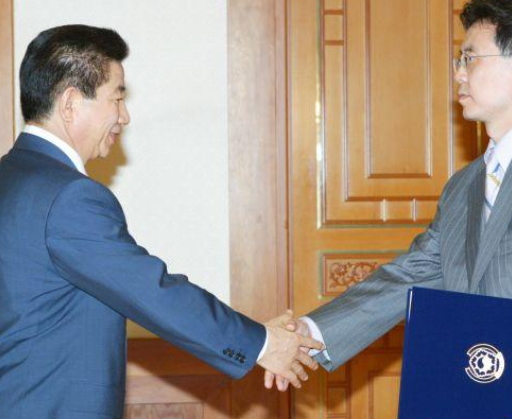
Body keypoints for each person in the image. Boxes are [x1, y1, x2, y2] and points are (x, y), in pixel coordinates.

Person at [267, 0, 512, 418]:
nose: (458, 73)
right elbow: (410, 275)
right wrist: (310, 332)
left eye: (470, 58)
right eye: (459, 60)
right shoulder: (463, 186)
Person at [0, 24, 322, 419]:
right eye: (117, 98)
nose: (124, 116)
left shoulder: (9, 178)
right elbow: (151, 290)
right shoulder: (69, 196)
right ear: (70, 103)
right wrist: (262, 344)